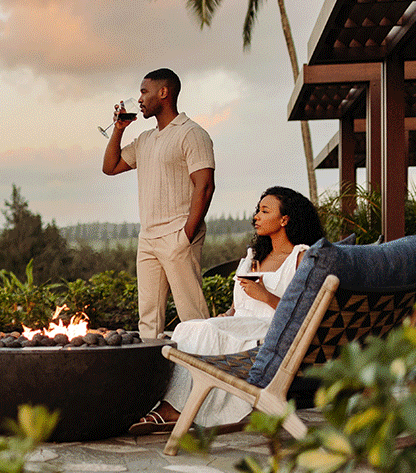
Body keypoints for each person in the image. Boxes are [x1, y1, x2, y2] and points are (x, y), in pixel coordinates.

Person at [128, 186, 324, 435]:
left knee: (205, 331)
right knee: (187, 328)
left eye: (265, 211)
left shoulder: (301, 257)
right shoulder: (254, 256)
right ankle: (176, 404)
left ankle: (174, 410)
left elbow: (306, 312)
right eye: (258, 210)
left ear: (285, 219)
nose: (256, 216)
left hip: (270, 332)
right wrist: (229, 314)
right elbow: (238, 304)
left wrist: (265, 295)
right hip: (241, 325)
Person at [102, 68, 215, 339]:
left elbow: (205, 186)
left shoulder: (191, 133)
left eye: (144, 92)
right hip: (148, 238)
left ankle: (207, 365)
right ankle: (150, 367)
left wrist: (186, 235)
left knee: (192, 316)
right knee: (148, 321)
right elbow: (110, 167)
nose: (139, 99)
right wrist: (118, 130)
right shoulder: (145, 139)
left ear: (163, 92)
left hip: (178, 234)